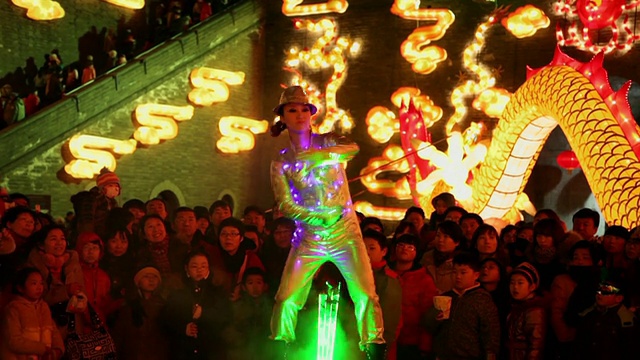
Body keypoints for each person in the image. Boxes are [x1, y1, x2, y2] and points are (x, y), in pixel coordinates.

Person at [268, 86, 385, 358]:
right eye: (292, 110)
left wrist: (321, 155)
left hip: (345, 234)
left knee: (366, 295)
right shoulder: (281, 161)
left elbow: (352, 148)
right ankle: (278, 348)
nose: (299, 115)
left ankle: (374, 348)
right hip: (309, 239)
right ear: (282, 118)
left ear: (311, 114)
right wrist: (319, 217)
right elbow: (285, 204)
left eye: (304, 110)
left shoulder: (327, 141)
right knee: (286, 299)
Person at [161, 250, 231, 360]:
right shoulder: (177, 290)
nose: (199, 270)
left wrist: (203, 313)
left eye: (203, 266)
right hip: (183, 351)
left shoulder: (217, 290)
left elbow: (225, 316)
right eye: (194, 266)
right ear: (186, 268)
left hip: (211, 351)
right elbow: (167, 319)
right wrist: (183, 328)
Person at [1, 267, 65, 360]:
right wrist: (42, 349)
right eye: (34, 283)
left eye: (41, 283)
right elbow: (13, 341)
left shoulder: (43, 306)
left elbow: (53, 330)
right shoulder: (14, 309)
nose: (39, 287)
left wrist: (58, 349)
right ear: (20, 288)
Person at [112, 266, 168, 360]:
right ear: (138, 282)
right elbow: (119, 336)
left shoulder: (165, 305)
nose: (151, 280)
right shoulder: (128, 307)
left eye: (154, 277)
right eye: (146, 276)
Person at [507, 262, 547, 360]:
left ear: (532, 287)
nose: (515, 287)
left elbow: (536, 345)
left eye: (520, 283)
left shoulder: (534, 311)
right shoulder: (516, 307)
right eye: (512, 282)